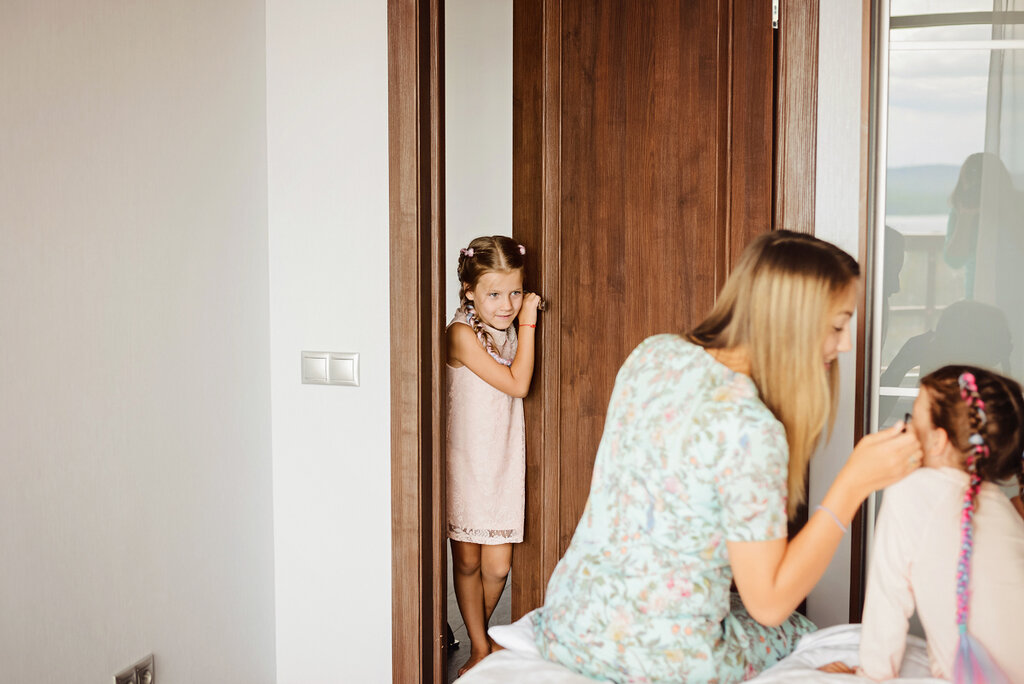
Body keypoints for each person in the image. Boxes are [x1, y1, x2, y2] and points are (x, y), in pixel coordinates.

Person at [532, 230, 923, 683]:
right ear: (792, 319)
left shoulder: (653, 353)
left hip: (567, 623)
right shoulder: (751, 428)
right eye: (838, 326)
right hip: (662, 662)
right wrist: (854, 484)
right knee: (798, 630)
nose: (847, 344)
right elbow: (770, 605)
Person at [851, 366, 1024, 682]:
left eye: (911, 420)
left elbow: (887, 604)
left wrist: (866, 673)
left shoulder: (912, 491)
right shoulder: (1004, 510)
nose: (903, 430)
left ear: (938, 442)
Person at [446, 235, 542, 675]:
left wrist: (520, 323)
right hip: (465, 460)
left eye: (515, 293)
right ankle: (480, 647)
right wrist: (529, 323)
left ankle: (479, 639)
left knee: (499, 566)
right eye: (495, 295)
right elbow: (518, 384)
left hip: (502, 459)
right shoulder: (461, 334)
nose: (507, 305)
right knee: (468, 561)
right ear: (469, 291)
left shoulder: (504, 329)